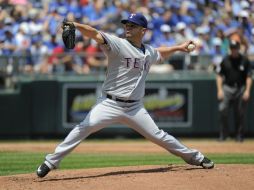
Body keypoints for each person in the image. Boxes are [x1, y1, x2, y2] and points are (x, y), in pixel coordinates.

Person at [36, 13, 214, 178]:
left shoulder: (149, 51)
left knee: (159, 136)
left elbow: (160, 53)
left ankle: (195, 158)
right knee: (84, 127)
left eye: (133, 25)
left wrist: (179, 48)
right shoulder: (118, 44)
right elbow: (94, 33)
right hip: (109, 103)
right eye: (127, 25)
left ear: (143, 31)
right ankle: (51, 161)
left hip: (135, 108)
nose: (128, 27)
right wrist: (75, 25)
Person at [216, 40, 253, 142]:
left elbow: (249, 77)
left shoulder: (244, 60)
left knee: (240, 113)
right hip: (227, 87)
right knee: (223, 109)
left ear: (238, 48)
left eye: (235, 48)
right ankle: (223, 135)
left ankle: (239, 135)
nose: (234, 50)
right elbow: (219, 75)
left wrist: (247, 91)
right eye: (232, 48)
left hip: (240, 88)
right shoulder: (225, 60)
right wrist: (219, 90)